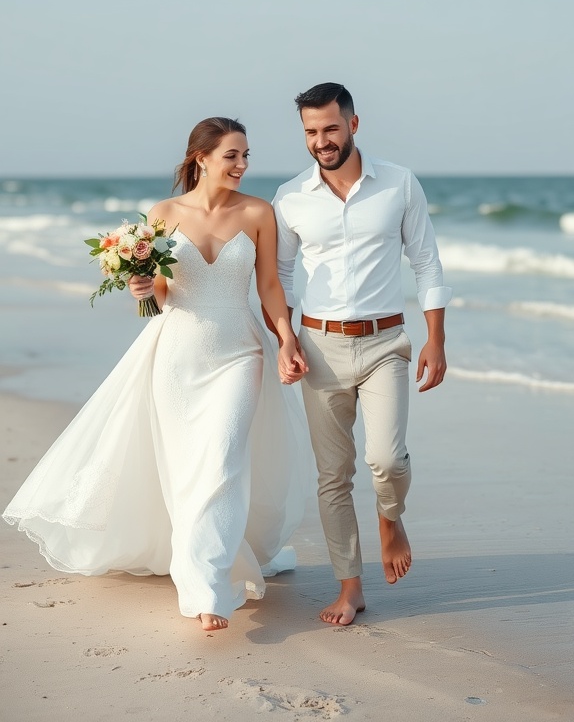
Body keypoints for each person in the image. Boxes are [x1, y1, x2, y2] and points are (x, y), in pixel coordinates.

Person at [3, 117, 311, 632]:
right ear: (201, 158)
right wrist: (140, 288)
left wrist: (287, 339)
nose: (242, 165)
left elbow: (270, 289)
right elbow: (159, 296)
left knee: (222, 460)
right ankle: (199, 563)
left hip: (240, 352)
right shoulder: (163, 214)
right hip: (177, 354)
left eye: (246, 155)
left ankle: (207, 587)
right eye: (232, 155)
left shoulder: (259, 213)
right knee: (185, 465)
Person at [269, 83, 452, 626]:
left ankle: (390, 517)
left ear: (353, 123)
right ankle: (351, 587)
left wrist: (436, 339)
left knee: (387, 460)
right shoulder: (291, 197)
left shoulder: (398, 183)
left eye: (330, 128)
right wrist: (286, 340)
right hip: (318, 346)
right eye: (310, 132)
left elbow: (428, 264)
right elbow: (278, 275)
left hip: (385, 344)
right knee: (334, 476)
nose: (321, 141)